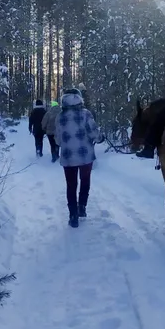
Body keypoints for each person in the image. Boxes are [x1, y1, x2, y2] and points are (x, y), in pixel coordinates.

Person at [55, 87, 102, 227]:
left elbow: (57, 140)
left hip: (68, 158)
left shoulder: (60, 116)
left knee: (71, 186)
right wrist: (100, 138)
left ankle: (73, 216)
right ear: (79, 99)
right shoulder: (85, 114)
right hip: (85, 156)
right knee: (85, 181)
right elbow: (94, 132)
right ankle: (82, 207)